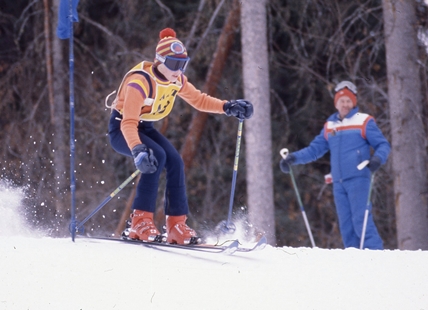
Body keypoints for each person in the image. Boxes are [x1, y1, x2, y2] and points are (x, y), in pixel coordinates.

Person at [107, 28, 253, 245]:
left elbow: (199, 100)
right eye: (174, 64)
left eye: (183, 63)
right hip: (122, 129)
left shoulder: (176, 80)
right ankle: (140, 221)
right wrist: (138, 150)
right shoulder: (139, 83)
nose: (179, 69)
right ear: (159, 61)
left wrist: (227, 107)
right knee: (155, 156)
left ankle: (176, 225)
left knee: (175, 161)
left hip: (144, 127)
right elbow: (128, 122)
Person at [279, 81, 390, 249]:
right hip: (339, 182)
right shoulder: (330, 126)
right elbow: (314, 149)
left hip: (359, 178)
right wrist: (293, 158)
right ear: (336, 103)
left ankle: (376, 257)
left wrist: (377, 159)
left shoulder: (364, 121)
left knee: (361, 221)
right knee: (346, 226)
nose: (345, 104)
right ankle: (354, 261)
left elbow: (383, 145)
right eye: (341, 101)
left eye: (348, 101)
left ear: (353, 102)